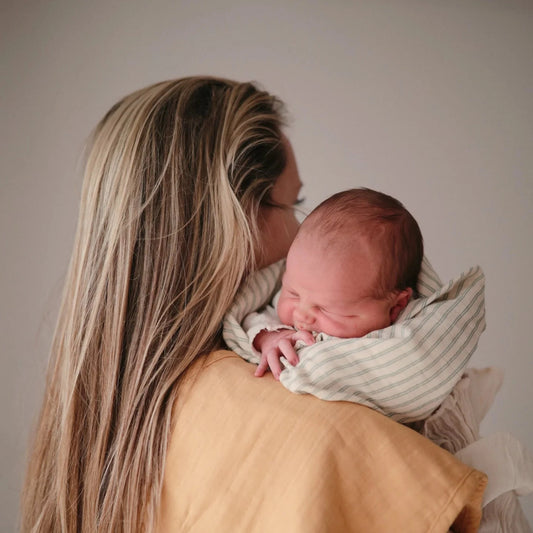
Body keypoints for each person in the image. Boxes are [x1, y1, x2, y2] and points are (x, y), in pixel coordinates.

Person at [22, 77, 487, 533]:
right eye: (294, 203)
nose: (303, 232)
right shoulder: (332, 430)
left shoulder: (90, 424)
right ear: (236, 220)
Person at [246, 188, 423, 380]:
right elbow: (254, 319)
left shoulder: (408, 336)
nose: (301, 315)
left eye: (326, 308)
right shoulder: (288, 309)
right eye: (292, 293)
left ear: (396, 306)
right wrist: (269, 337)